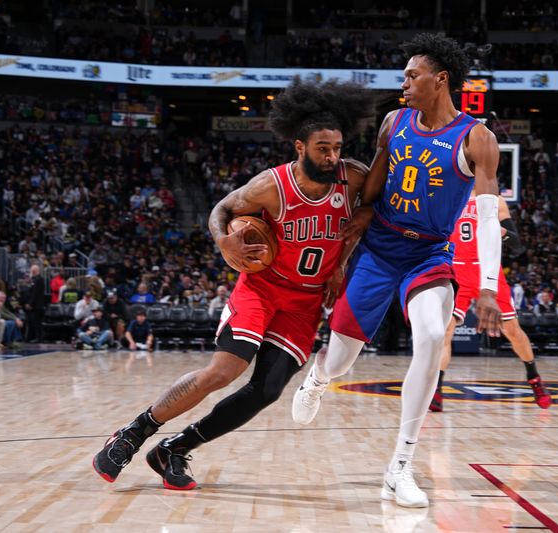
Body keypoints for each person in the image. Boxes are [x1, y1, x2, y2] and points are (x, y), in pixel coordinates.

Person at [92, 78, 374, 491]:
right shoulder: (271, 186)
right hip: (262, 287)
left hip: (306, 301)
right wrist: (222, 240)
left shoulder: (353, 177)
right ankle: (134, 432)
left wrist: (340, 265)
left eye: (336, 148)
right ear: (299, 147)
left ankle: (175, 448)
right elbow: (222, 209)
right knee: (224, 371)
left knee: (267, 391)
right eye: (322, 148)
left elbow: (369, 214)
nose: (332, 156)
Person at [291, 33, 504, 508]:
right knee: (342, 358)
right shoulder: (394, 121)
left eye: (412, 75)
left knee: (431, 336)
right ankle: (319, 378)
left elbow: (488, 215)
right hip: (379, 248)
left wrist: (487, 287)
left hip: (429, 254)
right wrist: (348, 239)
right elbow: (374, 186)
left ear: (440, 79)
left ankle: (399, 468)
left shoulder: (477, 138)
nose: (403, 82)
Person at [428, 191, 551, 412]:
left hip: (487, 269)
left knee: (512, 330)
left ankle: (534, 378)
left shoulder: (496, 200)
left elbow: (517, 244)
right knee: (445, 329)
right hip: (457, 269)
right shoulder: (449, 194)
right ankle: (436, 390)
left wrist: (500, 232)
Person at [25, 264, 46, 341]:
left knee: (37, 322)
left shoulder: (38, 280)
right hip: (36, 305)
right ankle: (35, 337)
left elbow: (35, 293)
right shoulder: (35, 280)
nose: (31, 272)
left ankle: (38, 337)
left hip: (37, 305)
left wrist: (30, 303)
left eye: (33, 271)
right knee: (35, 322)